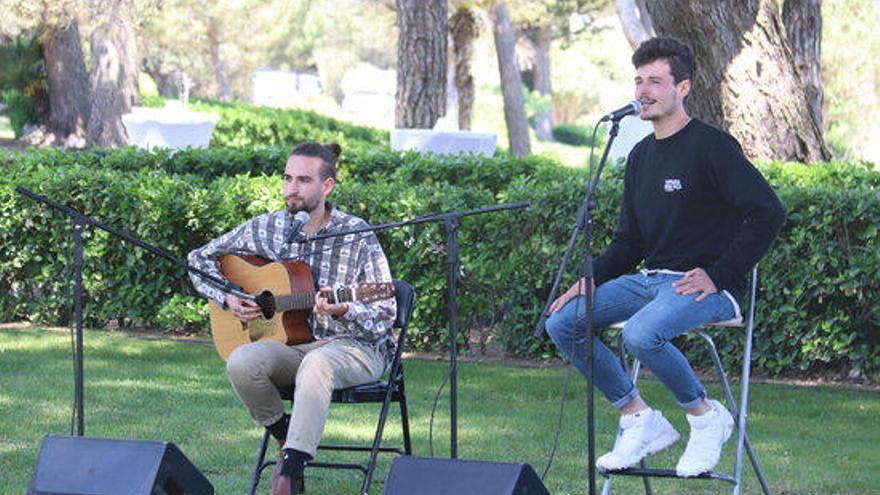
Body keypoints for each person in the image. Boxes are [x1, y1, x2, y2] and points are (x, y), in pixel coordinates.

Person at [545, 37, 785, 477]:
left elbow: (768, 212)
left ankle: (704, 416)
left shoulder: (712, 146)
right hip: (651, 280)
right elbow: (628, 243)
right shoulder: (639, 156)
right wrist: (590, 280)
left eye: (655, 80)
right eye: (638, 80)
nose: (643, 91)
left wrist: (719, 274)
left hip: (707, 286)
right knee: (563, 321)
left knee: (640, 334)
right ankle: (640, 417)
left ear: (684, 88)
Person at [188, 142, 396, 495]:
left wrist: (346, 308)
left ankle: (288, 475)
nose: (291, 189)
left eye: (302, 180)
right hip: (294, 344)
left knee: (318, 362)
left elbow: (387, 311)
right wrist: (228, 296)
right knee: (241, 362)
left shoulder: (356, 234)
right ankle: (286, 438)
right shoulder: (269, 227)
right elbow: (199, 259)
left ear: (327, 186)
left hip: (355, 347)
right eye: (287, 179)